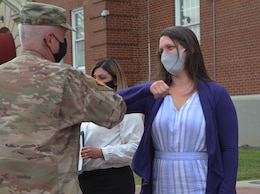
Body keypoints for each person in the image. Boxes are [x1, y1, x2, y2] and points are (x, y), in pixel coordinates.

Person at [0, 2, 126, 194]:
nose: (64, 42)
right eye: (64, 37)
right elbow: (115, 111)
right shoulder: (65, 78)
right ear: (50, 40)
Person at [118, 26, 238, 194]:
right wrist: (146, 89)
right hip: (162, 183)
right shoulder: (154, 94)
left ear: (190, 50)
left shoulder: (216, 94)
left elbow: (229, 148)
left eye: (170, 47)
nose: (165, 54)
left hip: (201, 183)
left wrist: (226, 190)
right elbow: (111, 103)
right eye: (161, 50)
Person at [79, 58, 144, 194]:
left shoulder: (127, 108)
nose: (97, 82)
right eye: (94, 77)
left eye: (102, 78)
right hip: (85, 181)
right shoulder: (87, 109)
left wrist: (102, 153)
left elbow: (135, 148)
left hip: (114, 181)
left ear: (115, 80)